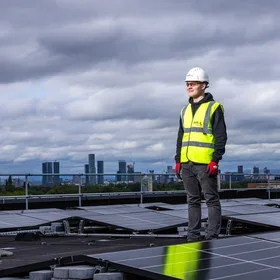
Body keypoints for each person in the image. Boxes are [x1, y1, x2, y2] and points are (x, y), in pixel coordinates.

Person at [174, 67, 227, 241]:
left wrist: (215, 159)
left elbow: (221, 136)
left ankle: (212, 236)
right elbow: (181, 136)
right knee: (192, 200)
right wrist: (178, 160)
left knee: (211, 199)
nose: (189, 86)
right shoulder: (184, 110)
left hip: (205, 163)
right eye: (187, 84)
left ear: (204, 85)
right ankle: (193, 235)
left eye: (193, 83)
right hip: (186, 162)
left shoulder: (214, 107)